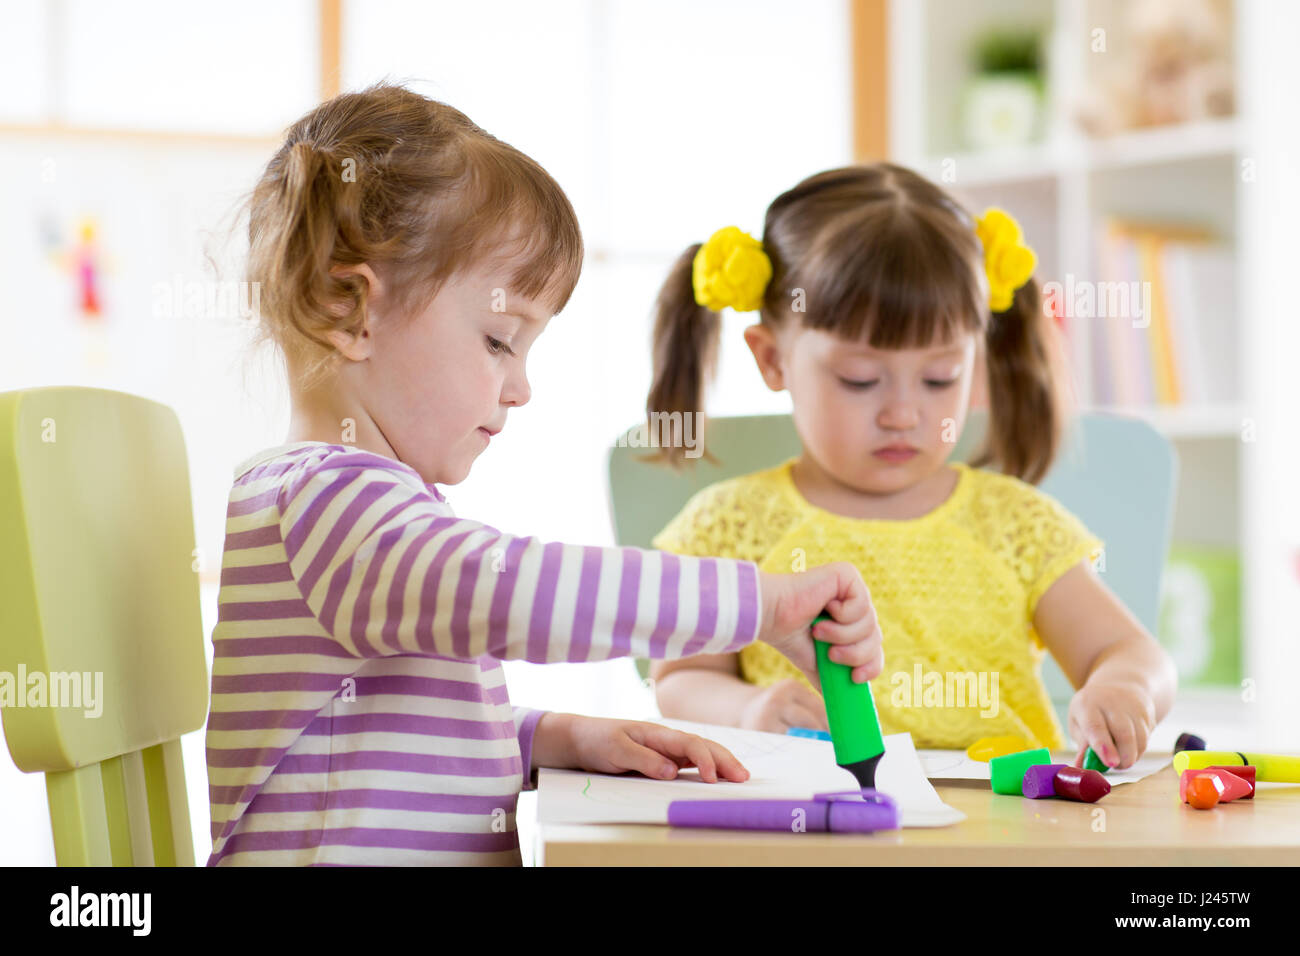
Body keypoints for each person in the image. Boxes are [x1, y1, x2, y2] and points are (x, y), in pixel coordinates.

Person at [204, 85, 882, 866]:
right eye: (499, 340)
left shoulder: (353, 507)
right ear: (349, 308)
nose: (520, 387)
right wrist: (757, 604)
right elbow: (511, 593)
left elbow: (395, 737)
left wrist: (551, 735)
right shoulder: (327, 501)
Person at [646, 163, 1176, 770]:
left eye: (939, 377)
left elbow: (1132, 651)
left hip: (1003, 831)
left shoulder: (1013, 524)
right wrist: (747, 709)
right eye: (860, 379)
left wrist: (1126, 687)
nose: (903, 413)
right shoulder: (730, 525)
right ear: (773, 360)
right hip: (815, 828)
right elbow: (679, 679)